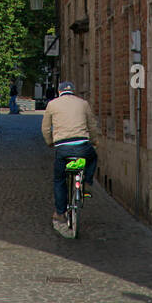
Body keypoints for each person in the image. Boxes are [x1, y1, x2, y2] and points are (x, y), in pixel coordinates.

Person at [41, 80, 99, 237]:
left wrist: (50, 142)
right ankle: (87, 182)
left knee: (59, 180)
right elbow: (92, 125)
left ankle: (60, 213)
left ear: (59, 92)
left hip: (63, 147)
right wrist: (94, 140)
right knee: (93, 158)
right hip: (82, 145)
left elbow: (45, 128)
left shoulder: (52, 104)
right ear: (73, 92)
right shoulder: (83, 103)